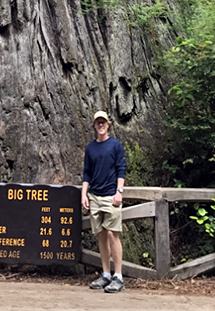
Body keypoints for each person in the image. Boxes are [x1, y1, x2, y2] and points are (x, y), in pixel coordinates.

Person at [81, 110, 126, 293]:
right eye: (97, 122)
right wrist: (84, 194)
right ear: (94, 125)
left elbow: (121, 169)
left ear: (108, 125)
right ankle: (106, 273)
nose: (101, 125)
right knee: (101, 234)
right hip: (95, 196)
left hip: (110, 195)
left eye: (103, 122)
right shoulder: (90, 148)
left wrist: (119, 192)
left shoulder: (115, 145)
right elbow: (87, 173)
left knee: (112, 234)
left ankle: (119, 276)